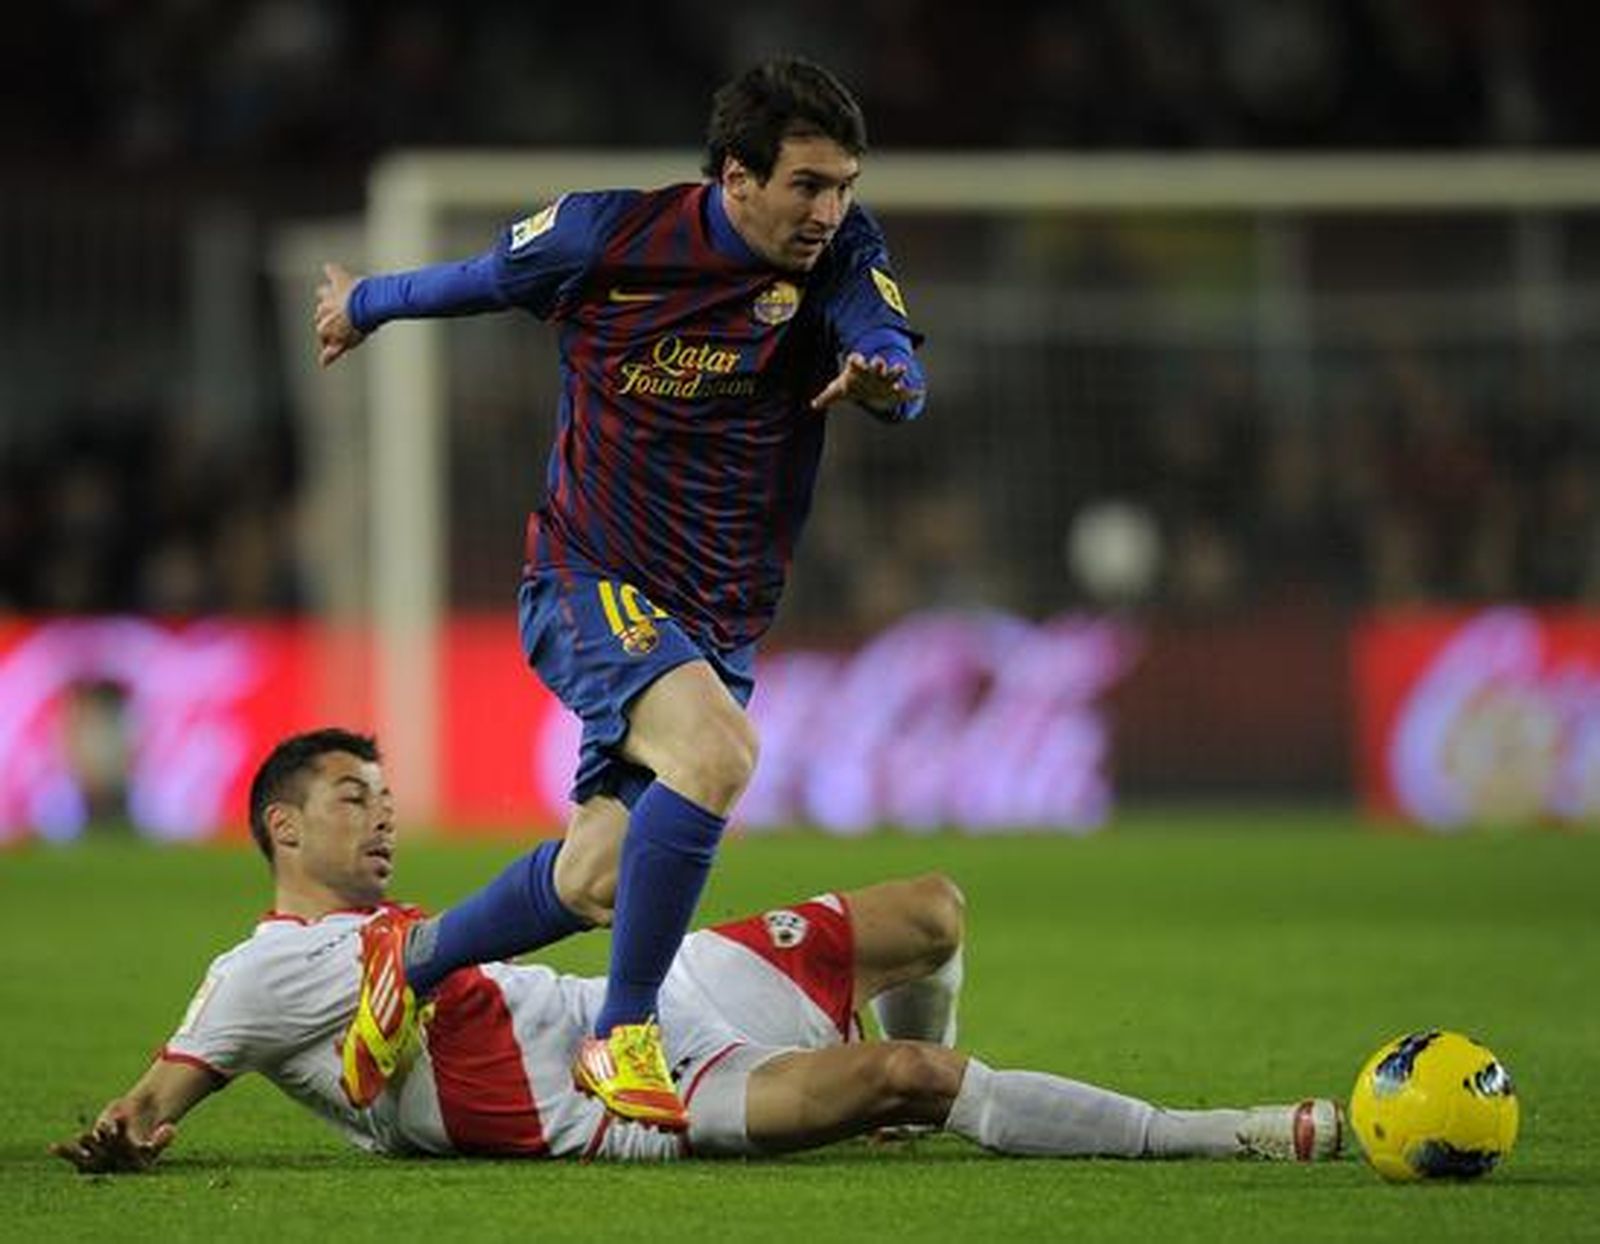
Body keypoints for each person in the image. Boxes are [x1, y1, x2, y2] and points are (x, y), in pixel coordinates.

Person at [313, 56, 926, 1132]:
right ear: (736, 176)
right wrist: (362, 302)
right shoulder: (608, 237)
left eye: (843, 185)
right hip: (586, 578)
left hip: (717, 617)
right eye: (807, 184)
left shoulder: (840, 255)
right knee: (721, 752)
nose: (829, 209)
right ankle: (624, 1030)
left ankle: (406, 958)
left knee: (601, 874)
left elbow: (883, 343)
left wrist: (887, 380)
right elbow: (474, 277)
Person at [52, 730, 1342, 1172]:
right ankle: (1209, 1128)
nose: (382, 812)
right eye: (351, 795)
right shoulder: (259, 972)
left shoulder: (399, 931)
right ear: (280, 824)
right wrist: (125, 1132)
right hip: (629, 1104)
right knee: (910, 1081)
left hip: (658, 993)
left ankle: (898, 1106)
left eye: (384, 793)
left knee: (933, 910)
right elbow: (151, 1104)